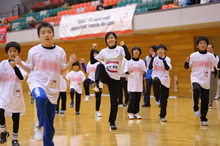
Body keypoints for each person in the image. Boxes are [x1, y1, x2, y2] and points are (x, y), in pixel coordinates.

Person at [15, 22, 76, 145]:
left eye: (49, 32)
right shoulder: (34, 51)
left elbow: (62, 72)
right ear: (39, 36)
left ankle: (48, 143)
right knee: (40, 98)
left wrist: (69, 63)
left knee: (50, 122)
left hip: (53, 88)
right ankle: (38, 125)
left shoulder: (60, 51)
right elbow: (29, 69)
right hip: (36, 82)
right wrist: (21, 63)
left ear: (53, 34)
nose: (46, 35)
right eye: (43, 33)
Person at [90, 32, 131, 130]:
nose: (110, 40)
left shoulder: (120, 49)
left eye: (112, 38)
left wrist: (124, 45)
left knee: (114, 101)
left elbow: (129, 57)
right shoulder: (104, 51)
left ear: (116, 39)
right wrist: (92, 50)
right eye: (108, 38)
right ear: (106, 41)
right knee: (100, 65)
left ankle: (112, 122)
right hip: (106, 75)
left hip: (115, 79)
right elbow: (92, 61)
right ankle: (95, 83)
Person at [184, 36, 218, 126]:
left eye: (204, 43)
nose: (203, 45)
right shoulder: (193, 55)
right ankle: (195, 106)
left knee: (205, 101)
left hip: (206, 80)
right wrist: (186, 62)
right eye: (201, 43)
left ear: (207, 45)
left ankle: (203, 119)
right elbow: (187, 67)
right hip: (196, 78)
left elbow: (217, 66)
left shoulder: (211, 56)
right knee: (195, 89)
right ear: (197, 45)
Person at [0, 41, 27, 146]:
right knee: (0, 111)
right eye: (10, 51)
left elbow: (21, 78)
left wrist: (15, 67)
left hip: (16, 95)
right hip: (3, 94)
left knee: (16, 117)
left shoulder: (21, 64)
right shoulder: (2, 64)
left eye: (14, 51)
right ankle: (4, 132)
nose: (12, 53)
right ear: (7, 52)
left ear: (18, 52)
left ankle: (15, 139)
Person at [149, 44, 172, 122]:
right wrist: (152, 58)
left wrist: (163, 59)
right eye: (158, 50)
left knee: (165, 99)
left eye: (162, 49)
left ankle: (162, 116)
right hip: (157, 76)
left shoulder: (168, 59)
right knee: (155, 80)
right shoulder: (155, 59)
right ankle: (157, 98)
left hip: (165, 79)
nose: (160, 51)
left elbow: (167, 68)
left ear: (165, 51)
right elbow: (149, 67)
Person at [80, 44, 103, 117]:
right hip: (91, 82)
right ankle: (87, 95)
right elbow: (86, 71)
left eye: (96, 54)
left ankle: (97, 111)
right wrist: (82, 63)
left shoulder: (100, 62)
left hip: (98, 83)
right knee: (86, 81)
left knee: (98, 97)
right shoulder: (90, 62)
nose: (94, 55)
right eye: (93, 54)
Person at [125, 46, 146, 120]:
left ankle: (136, 112)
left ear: (140, 52)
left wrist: (144, 72)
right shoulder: (129, 62)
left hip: (139, 83)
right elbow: (125, 71)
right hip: (132, 83)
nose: (136, 51)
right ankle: (130, 113)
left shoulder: (142, 62)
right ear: (132, 52)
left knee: (138, 99)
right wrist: (128, 72)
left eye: (138, 50)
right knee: (132, 99)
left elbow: (144, 70)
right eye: (135, 50)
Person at [206, 44, 219, 109]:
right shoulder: (204, 56)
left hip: (212, 73)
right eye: (208, 48)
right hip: (204, 73)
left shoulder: (215, 56)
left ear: (212, 49)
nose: (209, 49)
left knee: (211, 88)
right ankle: (204, 101)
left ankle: (210, 103)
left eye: (210, 48)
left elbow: (217, 66)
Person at [118, 41, 130, 107]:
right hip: (118, 77)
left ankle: (126, 101)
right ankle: (120, 101)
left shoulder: (126, 59)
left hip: (124, 76)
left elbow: (128, 67)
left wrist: (123, 45)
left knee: (126, 90)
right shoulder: (118, 59)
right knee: (119, 90)